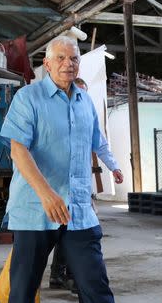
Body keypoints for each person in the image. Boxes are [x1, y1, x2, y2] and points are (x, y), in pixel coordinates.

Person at [0, 36, 117, 303]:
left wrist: (113, 166)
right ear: (47, 64)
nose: (69, 64)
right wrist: (47, 194)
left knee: (96, 286)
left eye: (74, 58)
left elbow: (96, 141)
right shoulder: (28, 97)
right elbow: (18, 149)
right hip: (35, 208)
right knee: (22, 291)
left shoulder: (85, 102)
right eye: (61, 58)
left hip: (78, 212)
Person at [49, 77, 123, 293]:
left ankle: (70, 278)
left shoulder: (86, 114)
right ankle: (60, 276)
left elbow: (100, 143)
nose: (80, 97)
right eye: (77, 92)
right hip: (54, 188)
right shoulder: (54, 115)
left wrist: (114, 167)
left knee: (79, 235)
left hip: (79, 191)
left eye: (83, 93)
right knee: (56, 235)